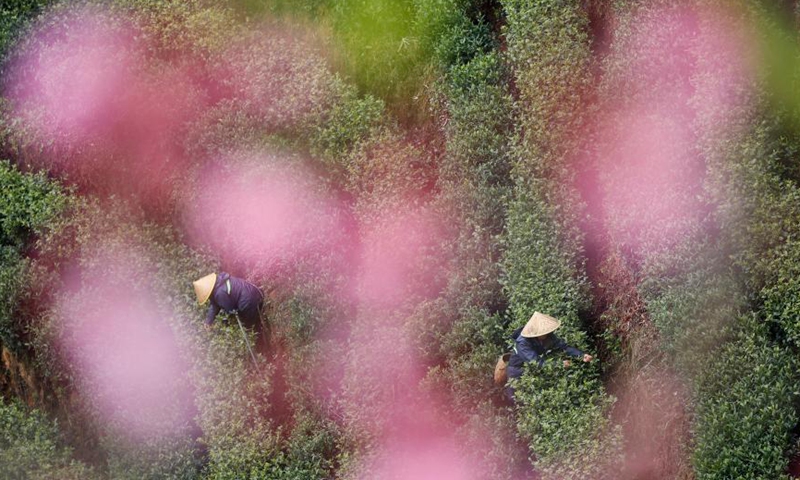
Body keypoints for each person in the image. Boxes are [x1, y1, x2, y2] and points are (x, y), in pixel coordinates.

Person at [504, 311, 592, 402]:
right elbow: (536, 362)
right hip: (516, 370)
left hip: (531, 369)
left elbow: (563, 347)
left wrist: (581, 355)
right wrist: (558, 364)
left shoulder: (548, 336)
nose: (547, 334)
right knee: (515, 398)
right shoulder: (523, 342)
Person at [192, 272, 266, 336]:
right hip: (255, 292)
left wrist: (225, 324)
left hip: (250, 302)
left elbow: (231, 311)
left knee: (250, 326)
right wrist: (208, 321)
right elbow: (214, 305)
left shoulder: (220, 294)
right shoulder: (219, 282)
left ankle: (259, 335)